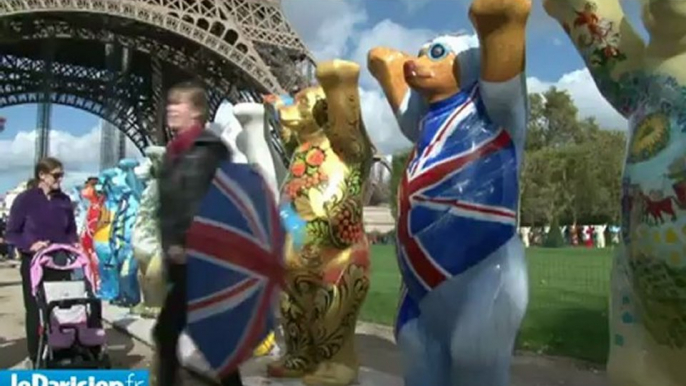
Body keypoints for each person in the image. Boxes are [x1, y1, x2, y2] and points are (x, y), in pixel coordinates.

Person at [154, 80, 242, 386]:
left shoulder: (208, 150)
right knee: (186, 334)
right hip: (183, 260)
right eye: (169, 103)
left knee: (171, 332)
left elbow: (212, 202)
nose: (170, 109)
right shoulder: (176, 152)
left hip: (200, 259)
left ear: (196, 112)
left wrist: (186, 243)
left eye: (178, 104)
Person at [5, 157, 79, 367]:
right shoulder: (25, 200)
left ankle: (60, 351)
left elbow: (71, 230)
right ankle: (34, 354)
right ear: (42, 175)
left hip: (60, 261)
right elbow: (12, 233)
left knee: (62, 307)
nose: (60, 180)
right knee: (35, 310)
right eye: (56, 175)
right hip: (34, 262)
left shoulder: (64, 200)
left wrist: (75, 243)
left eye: (61, 175)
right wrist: (31, 244)